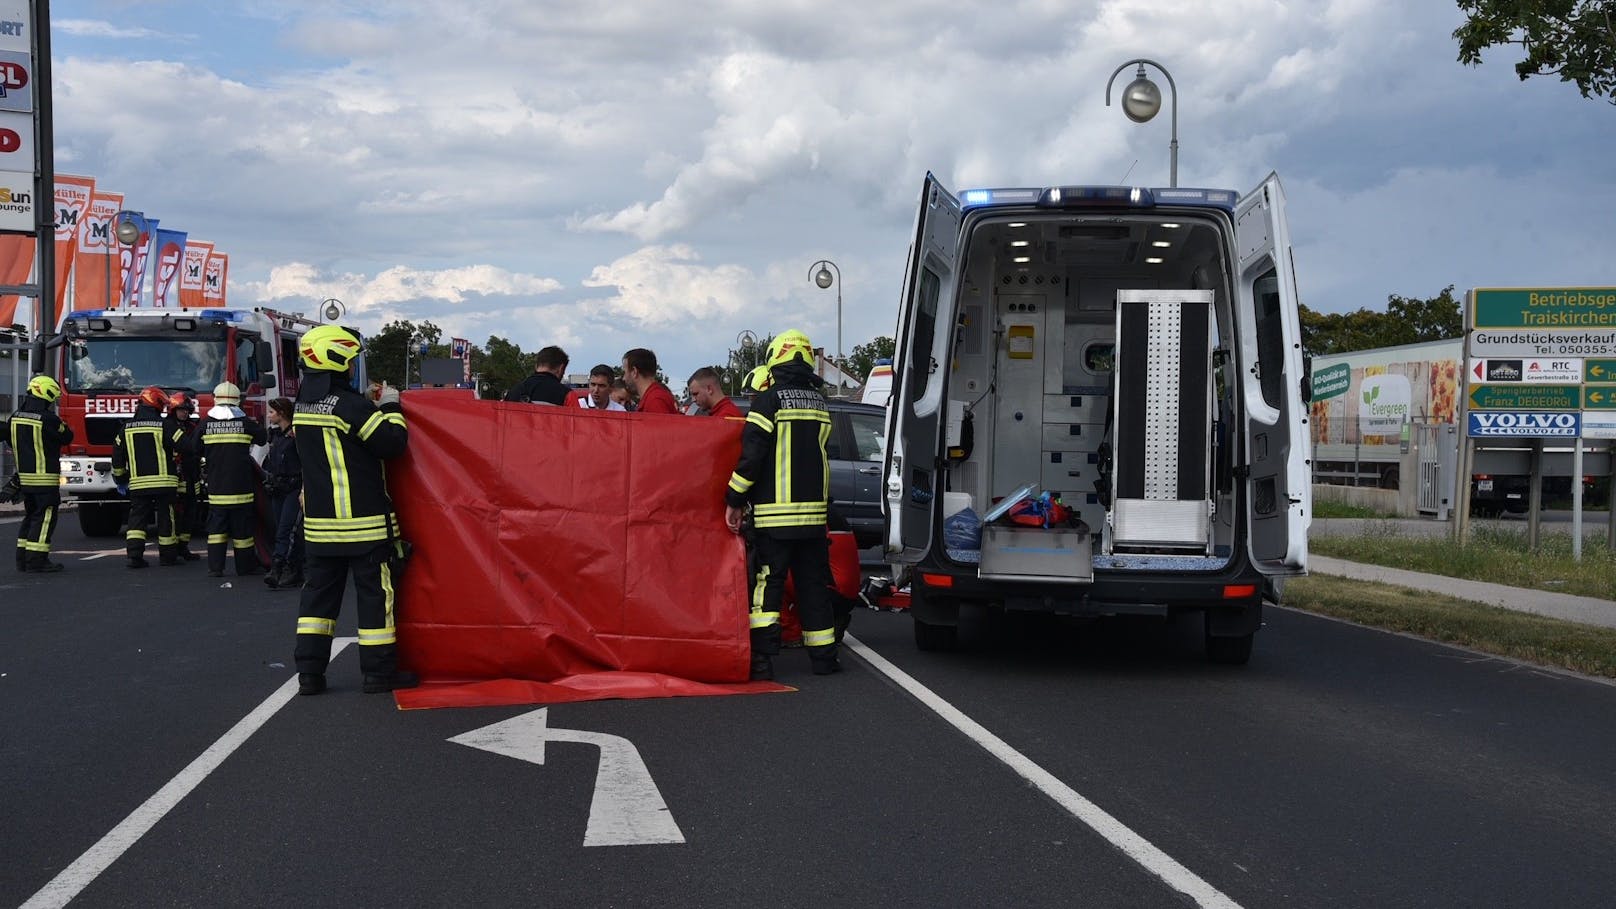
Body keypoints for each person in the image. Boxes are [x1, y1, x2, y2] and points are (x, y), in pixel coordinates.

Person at [292, 325, 417, 695]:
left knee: (317, 602)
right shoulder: (350, 405)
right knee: (375, 599)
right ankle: (378, 674)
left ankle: (310, 675)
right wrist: (391, 405)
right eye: (349, 360)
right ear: (338, 360)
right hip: (362, 526)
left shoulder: (303, 404)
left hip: (319, 527)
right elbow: (392, 443)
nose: (351, 368)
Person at [723, 329, 840, 679]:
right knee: (814, 586)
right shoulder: (821, 403)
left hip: (775, 518)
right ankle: (824, 659)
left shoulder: (769, 400)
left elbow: (752, 456)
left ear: (777, 357)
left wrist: (734, 498)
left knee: (767, 590)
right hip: (813, 519)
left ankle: (761, 661)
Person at [184, 382, 268, 578]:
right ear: (238, 400)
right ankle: (244, 567)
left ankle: (215, 568)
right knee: (242, 533)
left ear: (215, 399)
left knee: (216, 532)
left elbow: (192, 448)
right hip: (242, 489)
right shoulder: (245, 422)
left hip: (217, 488)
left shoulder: (206, 423)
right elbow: (262, 439)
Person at [6, 375, 74, 572]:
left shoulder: (15, 417)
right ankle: (37, 560)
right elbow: (67, 437)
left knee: (30, 517)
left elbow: (11, 441)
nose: (52, 402)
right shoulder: (49, 419)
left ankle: (23, 559)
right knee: (44, 519)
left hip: (25, 480)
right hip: (45, 479)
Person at [113, 385, 181, 568]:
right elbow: (186, 446)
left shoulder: (125, 428)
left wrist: (120, 480)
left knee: (136, 520)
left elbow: (117, 458)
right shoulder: (165, 425)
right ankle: (168, 557)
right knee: (166, 519)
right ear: (157, 403)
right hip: (164, 483)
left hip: (138, 484)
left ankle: (134, 556)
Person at [262, 397, 305, 590]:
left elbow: (307, 463)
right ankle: (289, 569)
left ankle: (280, 569)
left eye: (271, 412)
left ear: (282, 414)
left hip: (294, 488)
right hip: (278, 489)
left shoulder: (296, 436)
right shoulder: (274, 436)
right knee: (281, 528)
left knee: (287, 530)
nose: (268, 415)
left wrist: (304, 489)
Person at [166, 392, 204, 561]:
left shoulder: (193, 427)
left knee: (190, 512)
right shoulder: (166, 426)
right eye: (181, 410)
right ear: (173, 410)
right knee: (175, 514)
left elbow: (199, 446)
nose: (184, 413)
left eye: (186, 410)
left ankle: (183, 546)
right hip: (174, 476)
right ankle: (172, 548)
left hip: (191, 476)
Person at [504, 346, 570, 405]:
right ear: (561, 368)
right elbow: (576, 418)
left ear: (536, 366)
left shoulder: (513, 392)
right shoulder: (567, 395)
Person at [622, 348, 678, 414]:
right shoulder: (655, 397)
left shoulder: (655, 400)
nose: (623, 378)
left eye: (625, 372)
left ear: (634, 372)